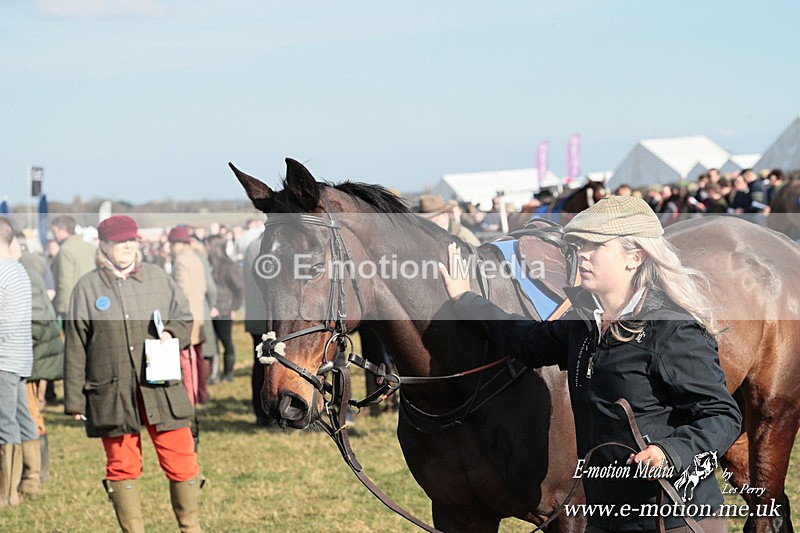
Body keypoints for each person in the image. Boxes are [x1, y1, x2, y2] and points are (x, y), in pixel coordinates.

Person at [438, 196, 741, 532]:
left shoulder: (673, 329)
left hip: (674, 520)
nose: (581, 253)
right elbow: (524, 339)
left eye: (595, 246)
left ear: (635, 257)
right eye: (579, 245)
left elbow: (721, 415)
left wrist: (671, 452)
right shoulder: (582, 324)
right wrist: (466, 300)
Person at [63, 216, 202, 532]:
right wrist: (74, 400)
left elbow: (183, 317)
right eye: (119, 241)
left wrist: (170, 332)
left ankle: (190, 527)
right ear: (104, 245)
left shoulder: (157, 278)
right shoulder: (86, 288)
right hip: (111, 391)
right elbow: (75, 345)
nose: (126, 247)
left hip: (161, 388)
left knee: (182, 459)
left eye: (131, 241)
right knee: (121, 465)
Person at [13, 235, 64, 494]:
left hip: (30, 357)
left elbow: (36, 323)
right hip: (27, 355)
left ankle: (34, 476)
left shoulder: (22, 273)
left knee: (30, 416)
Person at [0, 218, 36, 509]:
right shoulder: (18, 269)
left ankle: (6, 494)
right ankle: (31, 479)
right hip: (20, 355)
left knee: (5, 423)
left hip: (4, 358)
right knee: (23, 419)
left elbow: (6, 321)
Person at [169, 226, 209, 403]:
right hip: (199, 312)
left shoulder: (181, 261)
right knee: (197, 357)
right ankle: (200, 393)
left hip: (187, 316)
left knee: (187, 358)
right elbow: (203, 286)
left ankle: (190, 395)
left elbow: (181, 290)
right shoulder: (195, 258)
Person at [206, 235, 244, 382]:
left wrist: (232, 307)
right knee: (212, 343)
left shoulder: (229, 266)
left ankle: (228, 373)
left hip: (224, 310)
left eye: (208, 245)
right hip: (211, 309)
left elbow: (240, 289)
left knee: (226, 342)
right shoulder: (209, 264)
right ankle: (212, 374)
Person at [50, 215, 96, 319]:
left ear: (63, 230)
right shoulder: (91, 248)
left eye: (55, 231)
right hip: (92, 303)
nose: (53, 235)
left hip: (73, 307)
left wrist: (61, 309)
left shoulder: (65, 251)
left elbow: (64, 284)